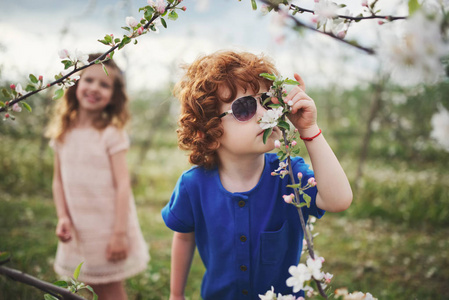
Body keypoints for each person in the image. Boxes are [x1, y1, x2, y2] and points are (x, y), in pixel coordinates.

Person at [161, 50, 353, 300]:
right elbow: (184, 239)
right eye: (244, 108)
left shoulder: (289, 174)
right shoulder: (193, 186)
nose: (265, 114)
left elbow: (338, 200)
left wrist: (309, 130)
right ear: (208, 131)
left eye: (268, 101)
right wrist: (176, 295)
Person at [45, 53, 149, 300]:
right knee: (80, 289)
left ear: (113, 95)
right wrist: (62, 217)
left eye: (104, 84)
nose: (94, 88)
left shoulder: (111, 134)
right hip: (78, 228)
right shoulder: (63, 132)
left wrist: (119, 233)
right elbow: (58, 181)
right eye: (88, 80)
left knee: (110, 290)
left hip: (109, 227)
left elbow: (123, 184)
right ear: (75, 83)